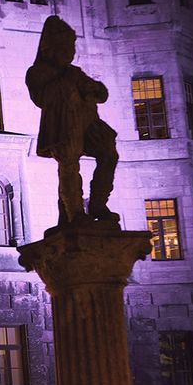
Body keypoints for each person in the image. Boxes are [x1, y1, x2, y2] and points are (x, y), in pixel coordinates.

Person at [25, 15, 119, 228]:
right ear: (53, 48)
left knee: (109, 154)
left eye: (72, 47)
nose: (71, 53)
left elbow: (101, 93)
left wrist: (95, 89)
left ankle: (97, 205)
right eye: (67, 47)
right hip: (62, 128)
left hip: (89, 125)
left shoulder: (74, 72)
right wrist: (69, 81)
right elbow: (41, 97)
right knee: (69, 165)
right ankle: (74, 213)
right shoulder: (38, 72)